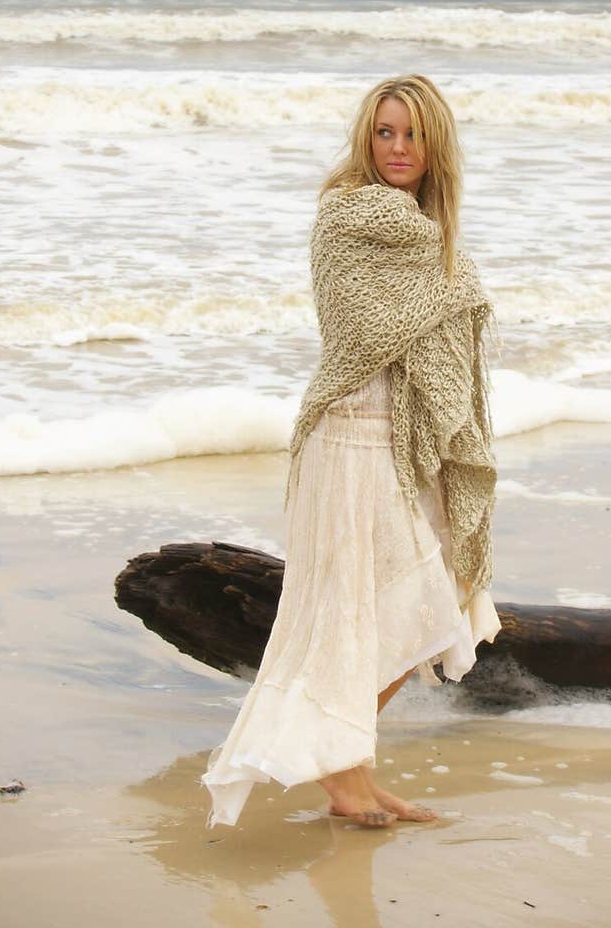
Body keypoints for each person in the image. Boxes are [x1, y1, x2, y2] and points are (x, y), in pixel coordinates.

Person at [200, 73, 502, 830]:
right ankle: (341, 773)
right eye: (383, 133)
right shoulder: (343, 218)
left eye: (411, 133)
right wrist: (450, 288)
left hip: (400, 444)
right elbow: (361, 332)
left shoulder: (439, 241)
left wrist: (450, 284)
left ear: (436, 143)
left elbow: (439, 343)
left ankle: (350, 768)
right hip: (344, 436)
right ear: (367, 140)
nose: (397, 148)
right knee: (362, 617)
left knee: (415, 611)